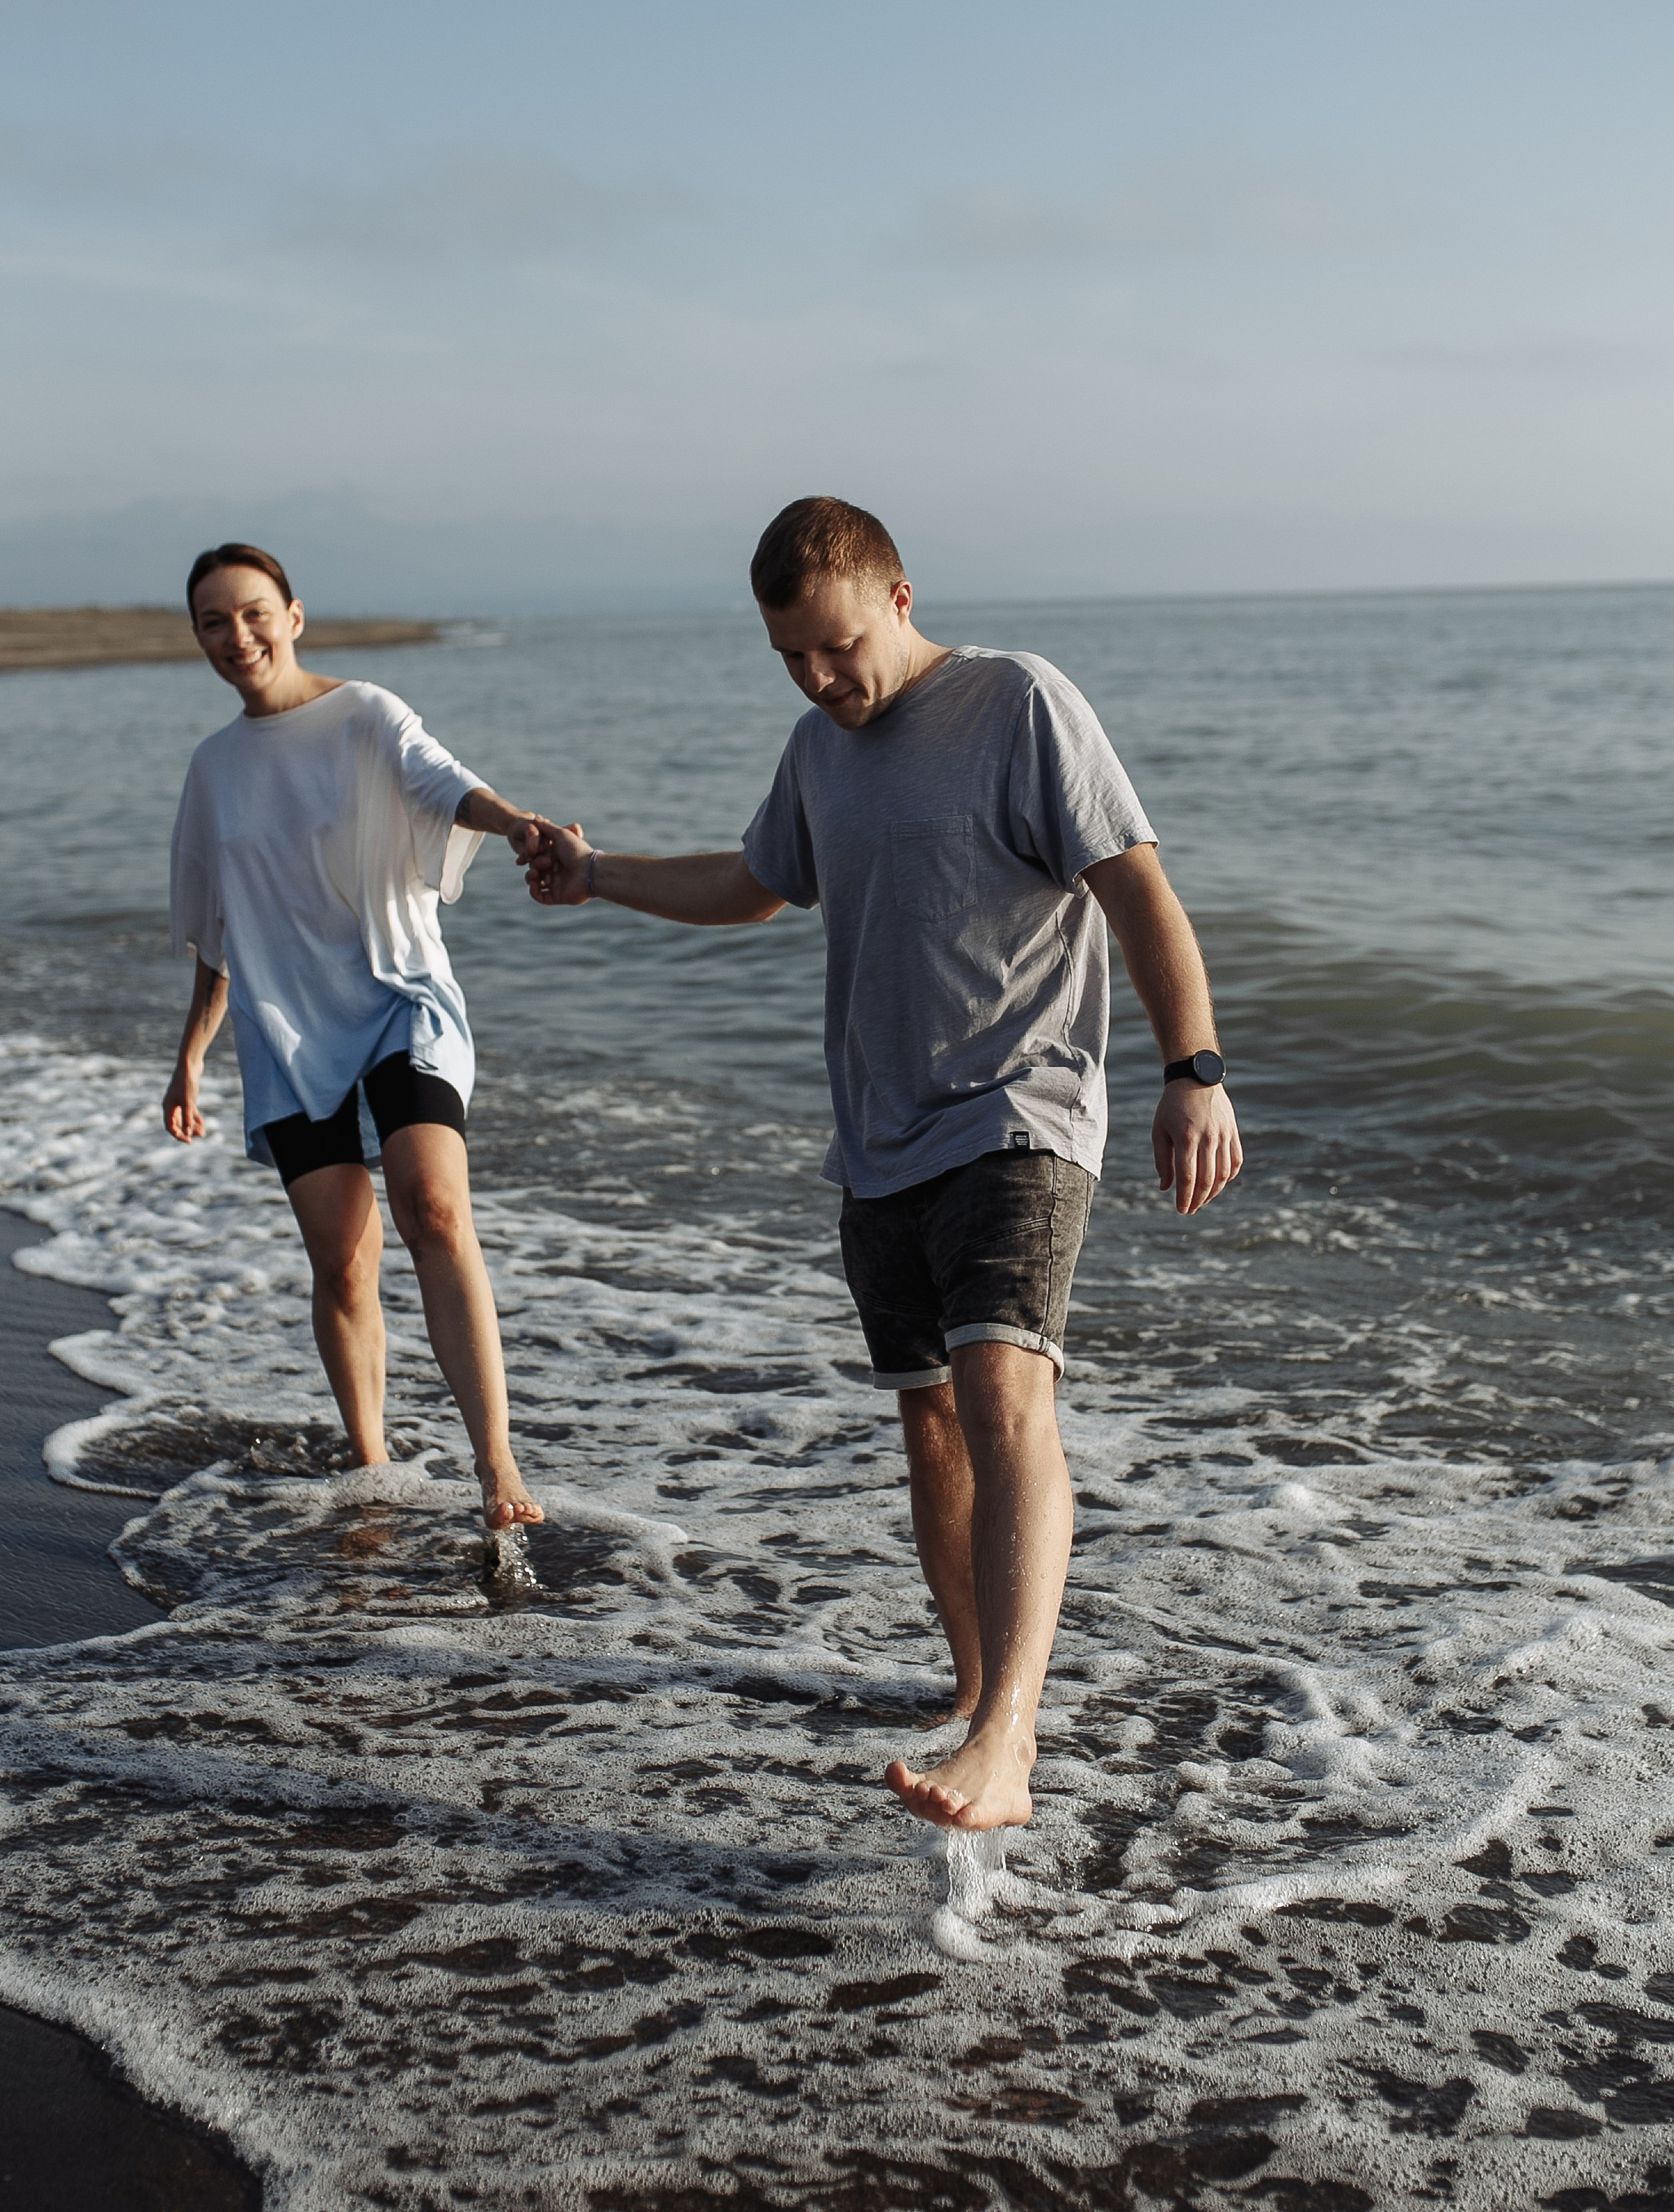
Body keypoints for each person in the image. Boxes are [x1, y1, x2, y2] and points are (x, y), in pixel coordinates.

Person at [519, 496, 1241, 1827]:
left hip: (1019, 1110)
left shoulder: (1020, 703)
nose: (820, 677)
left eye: (838, 646)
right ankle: (977, 1704)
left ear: (900, 600)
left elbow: (1139, 887)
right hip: (880, 1135)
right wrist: (598, 873)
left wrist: (1194, 1072)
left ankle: (1012, 1740)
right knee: (929, 1417)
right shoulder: (816, 748)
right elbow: (754, 885)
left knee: (1001, 1391)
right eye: (790, 656)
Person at [163, 541, 545, 1536]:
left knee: (431, 1203)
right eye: (213, 621)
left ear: (294, 615)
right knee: (340, 1263)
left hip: (394, 997)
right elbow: (218, 928)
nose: (235, 635)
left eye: (252, 612)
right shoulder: (212, 771)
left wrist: (513, 825)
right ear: (198, 636)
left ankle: (495, 1461)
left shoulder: (365, 713)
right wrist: (191, 1055)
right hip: (287, 1029)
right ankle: (370, 1467)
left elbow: (442, 782)